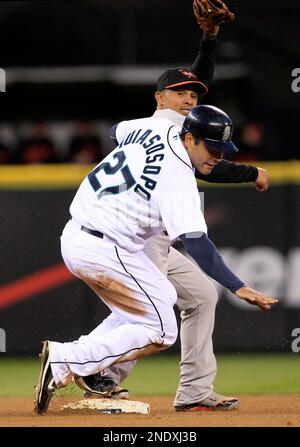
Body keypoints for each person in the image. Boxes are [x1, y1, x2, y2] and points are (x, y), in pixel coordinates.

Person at [73, 8, 269, 409]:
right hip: (140, 234)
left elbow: (116, 132)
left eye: (194, 95)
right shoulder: (173, 128)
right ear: (161, 97)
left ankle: (194, 392)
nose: (190, 99)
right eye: (181, 93)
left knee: (199, 297)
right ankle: (92, 366)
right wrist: (251, 171)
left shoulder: (134, 127)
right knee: (150, 310)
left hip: (144, 227)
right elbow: (210, 167)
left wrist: (209, 39)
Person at [34, 104, 278, 415]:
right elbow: (196, 242)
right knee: (161, 328)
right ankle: (68, 360)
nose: (216, 155)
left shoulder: (158, 129)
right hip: (106, 246)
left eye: (222, 148)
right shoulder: (178, 178)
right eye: (211, 147)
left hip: (90, 234)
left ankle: (78, 366)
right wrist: (236, 285)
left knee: (162, 300)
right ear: (188, 139)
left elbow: (116, 131)